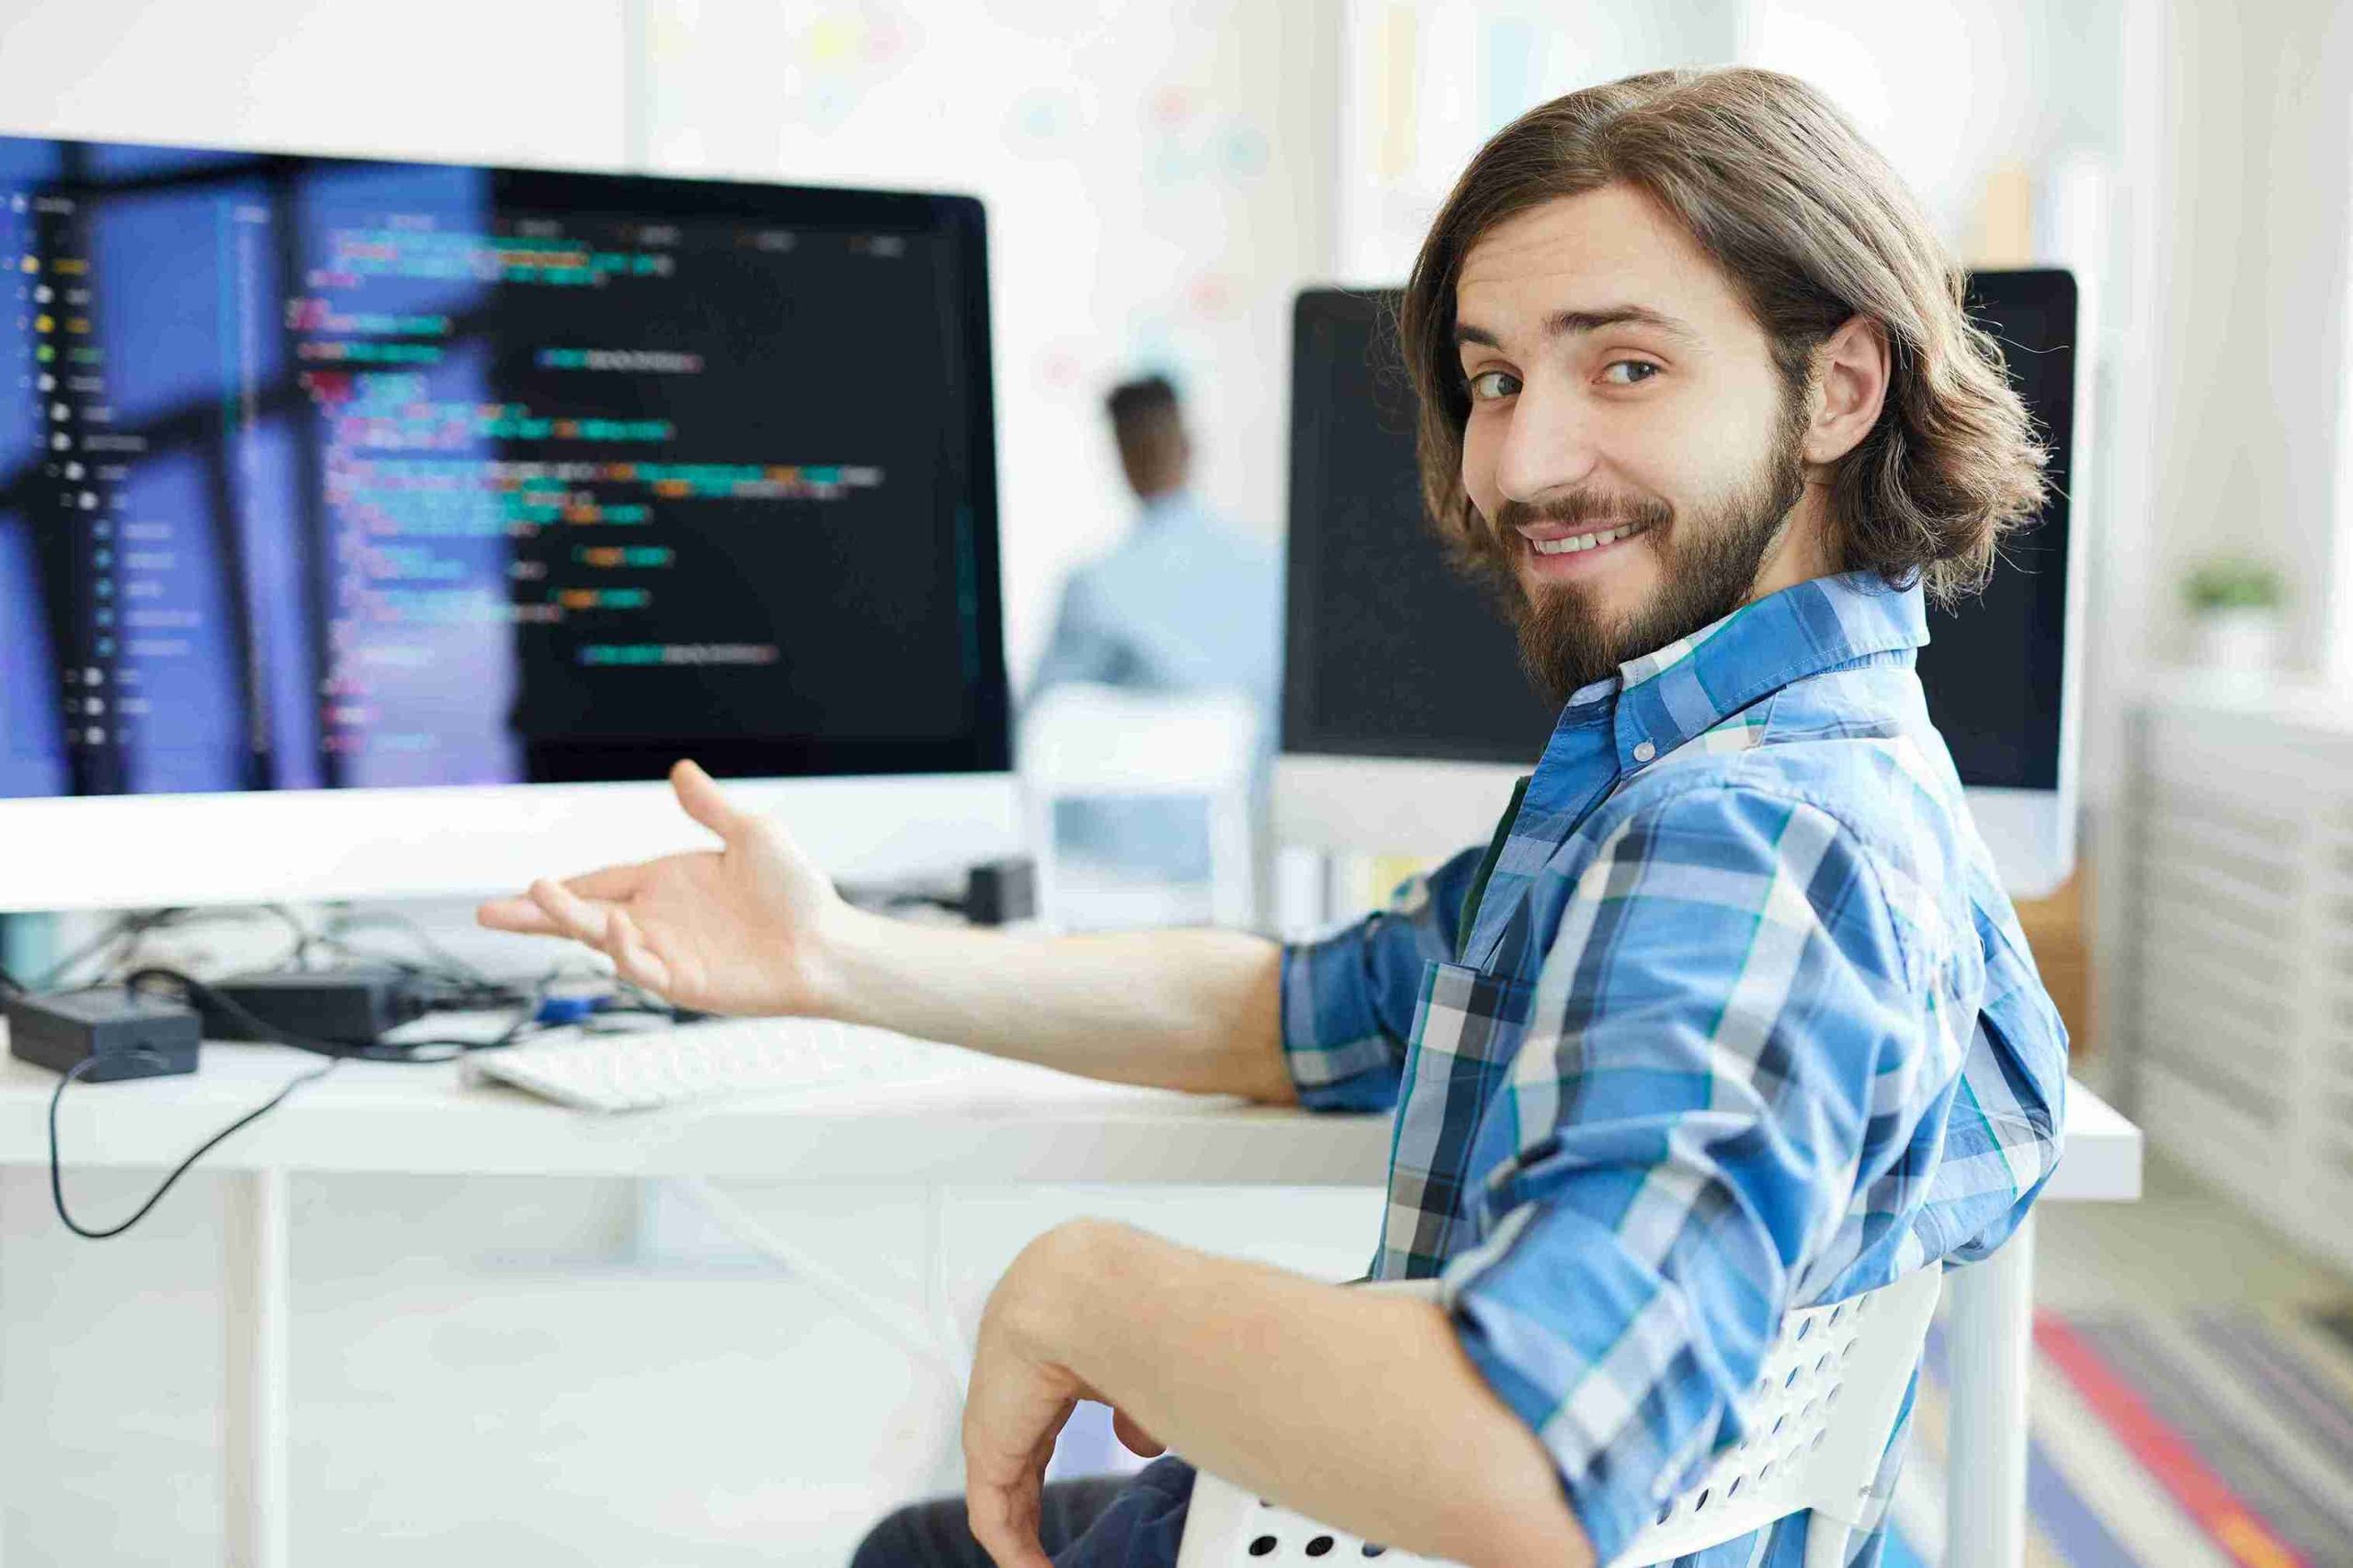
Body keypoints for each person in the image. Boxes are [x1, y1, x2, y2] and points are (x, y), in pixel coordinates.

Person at [479, 65, 2065, 1568]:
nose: (1521, 458)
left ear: (1841, 386)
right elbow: (1293, 1011)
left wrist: (1087, 1290)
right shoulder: (1806, 763)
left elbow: (1535, 1455)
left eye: (1626, 365)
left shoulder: (1739, 838)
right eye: (1496, 377)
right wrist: (838, 955)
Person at [1025, 375, 1279, 887]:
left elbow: (1035, 729)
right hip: (1245, 864)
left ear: (1120, 460)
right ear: (1189, 446)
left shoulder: (1093, 586)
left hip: (1105, 877)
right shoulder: (1271, 570)